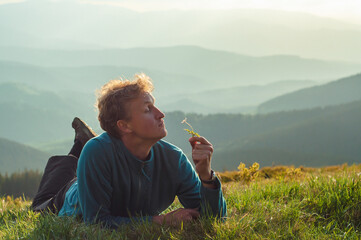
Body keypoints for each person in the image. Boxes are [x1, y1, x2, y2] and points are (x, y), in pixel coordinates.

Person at [32, 73, 227, 228]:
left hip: (103, 159)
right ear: (124, 126)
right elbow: (96, 223)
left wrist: (206, 177)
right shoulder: (96, 153)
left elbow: (213, 218)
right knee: (40, 206)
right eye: (147, 109)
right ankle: (79, 146)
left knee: (96, 152)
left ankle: (86, 144)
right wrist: (160, 221)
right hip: (70, 198)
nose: (161, 114)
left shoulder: (173, 158)